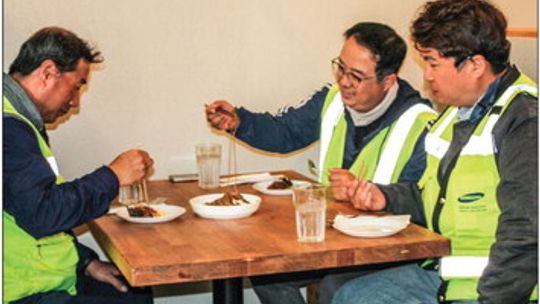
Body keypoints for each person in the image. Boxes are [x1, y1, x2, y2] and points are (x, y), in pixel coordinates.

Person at [206, 22, 437, 304]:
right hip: (334, 236)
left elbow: (425, 203)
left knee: (335, 288)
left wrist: (374, 194)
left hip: (388, 250)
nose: (344, 81)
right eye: (340, 67)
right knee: (268, 275)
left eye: (356, 76)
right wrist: (240, 122)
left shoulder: (421, 123)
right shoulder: (331, 99)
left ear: (388, 81)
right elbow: (286, 130)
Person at [332, 1, 538, 303]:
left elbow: (526, 236)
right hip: (444, 274)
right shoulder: (456, 114)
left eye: (432, 63)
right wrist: (385, 196)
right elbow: (435, 197)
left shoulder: (525, 121)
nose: (426, 76)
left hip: (496, 288)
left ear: (475, 65)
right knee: (352, 295)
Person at [3, 27, 155, 304]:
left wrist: (85, 263)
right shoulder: (8, 127)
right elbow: (43, 214)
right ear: (48, 72)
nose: (74, 102)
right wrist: (113, 176)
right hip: (20, 292)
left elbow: (25, 210)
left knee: (133, 292)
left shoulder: (16, 118)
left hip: (35, 275)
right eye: (76, 86)